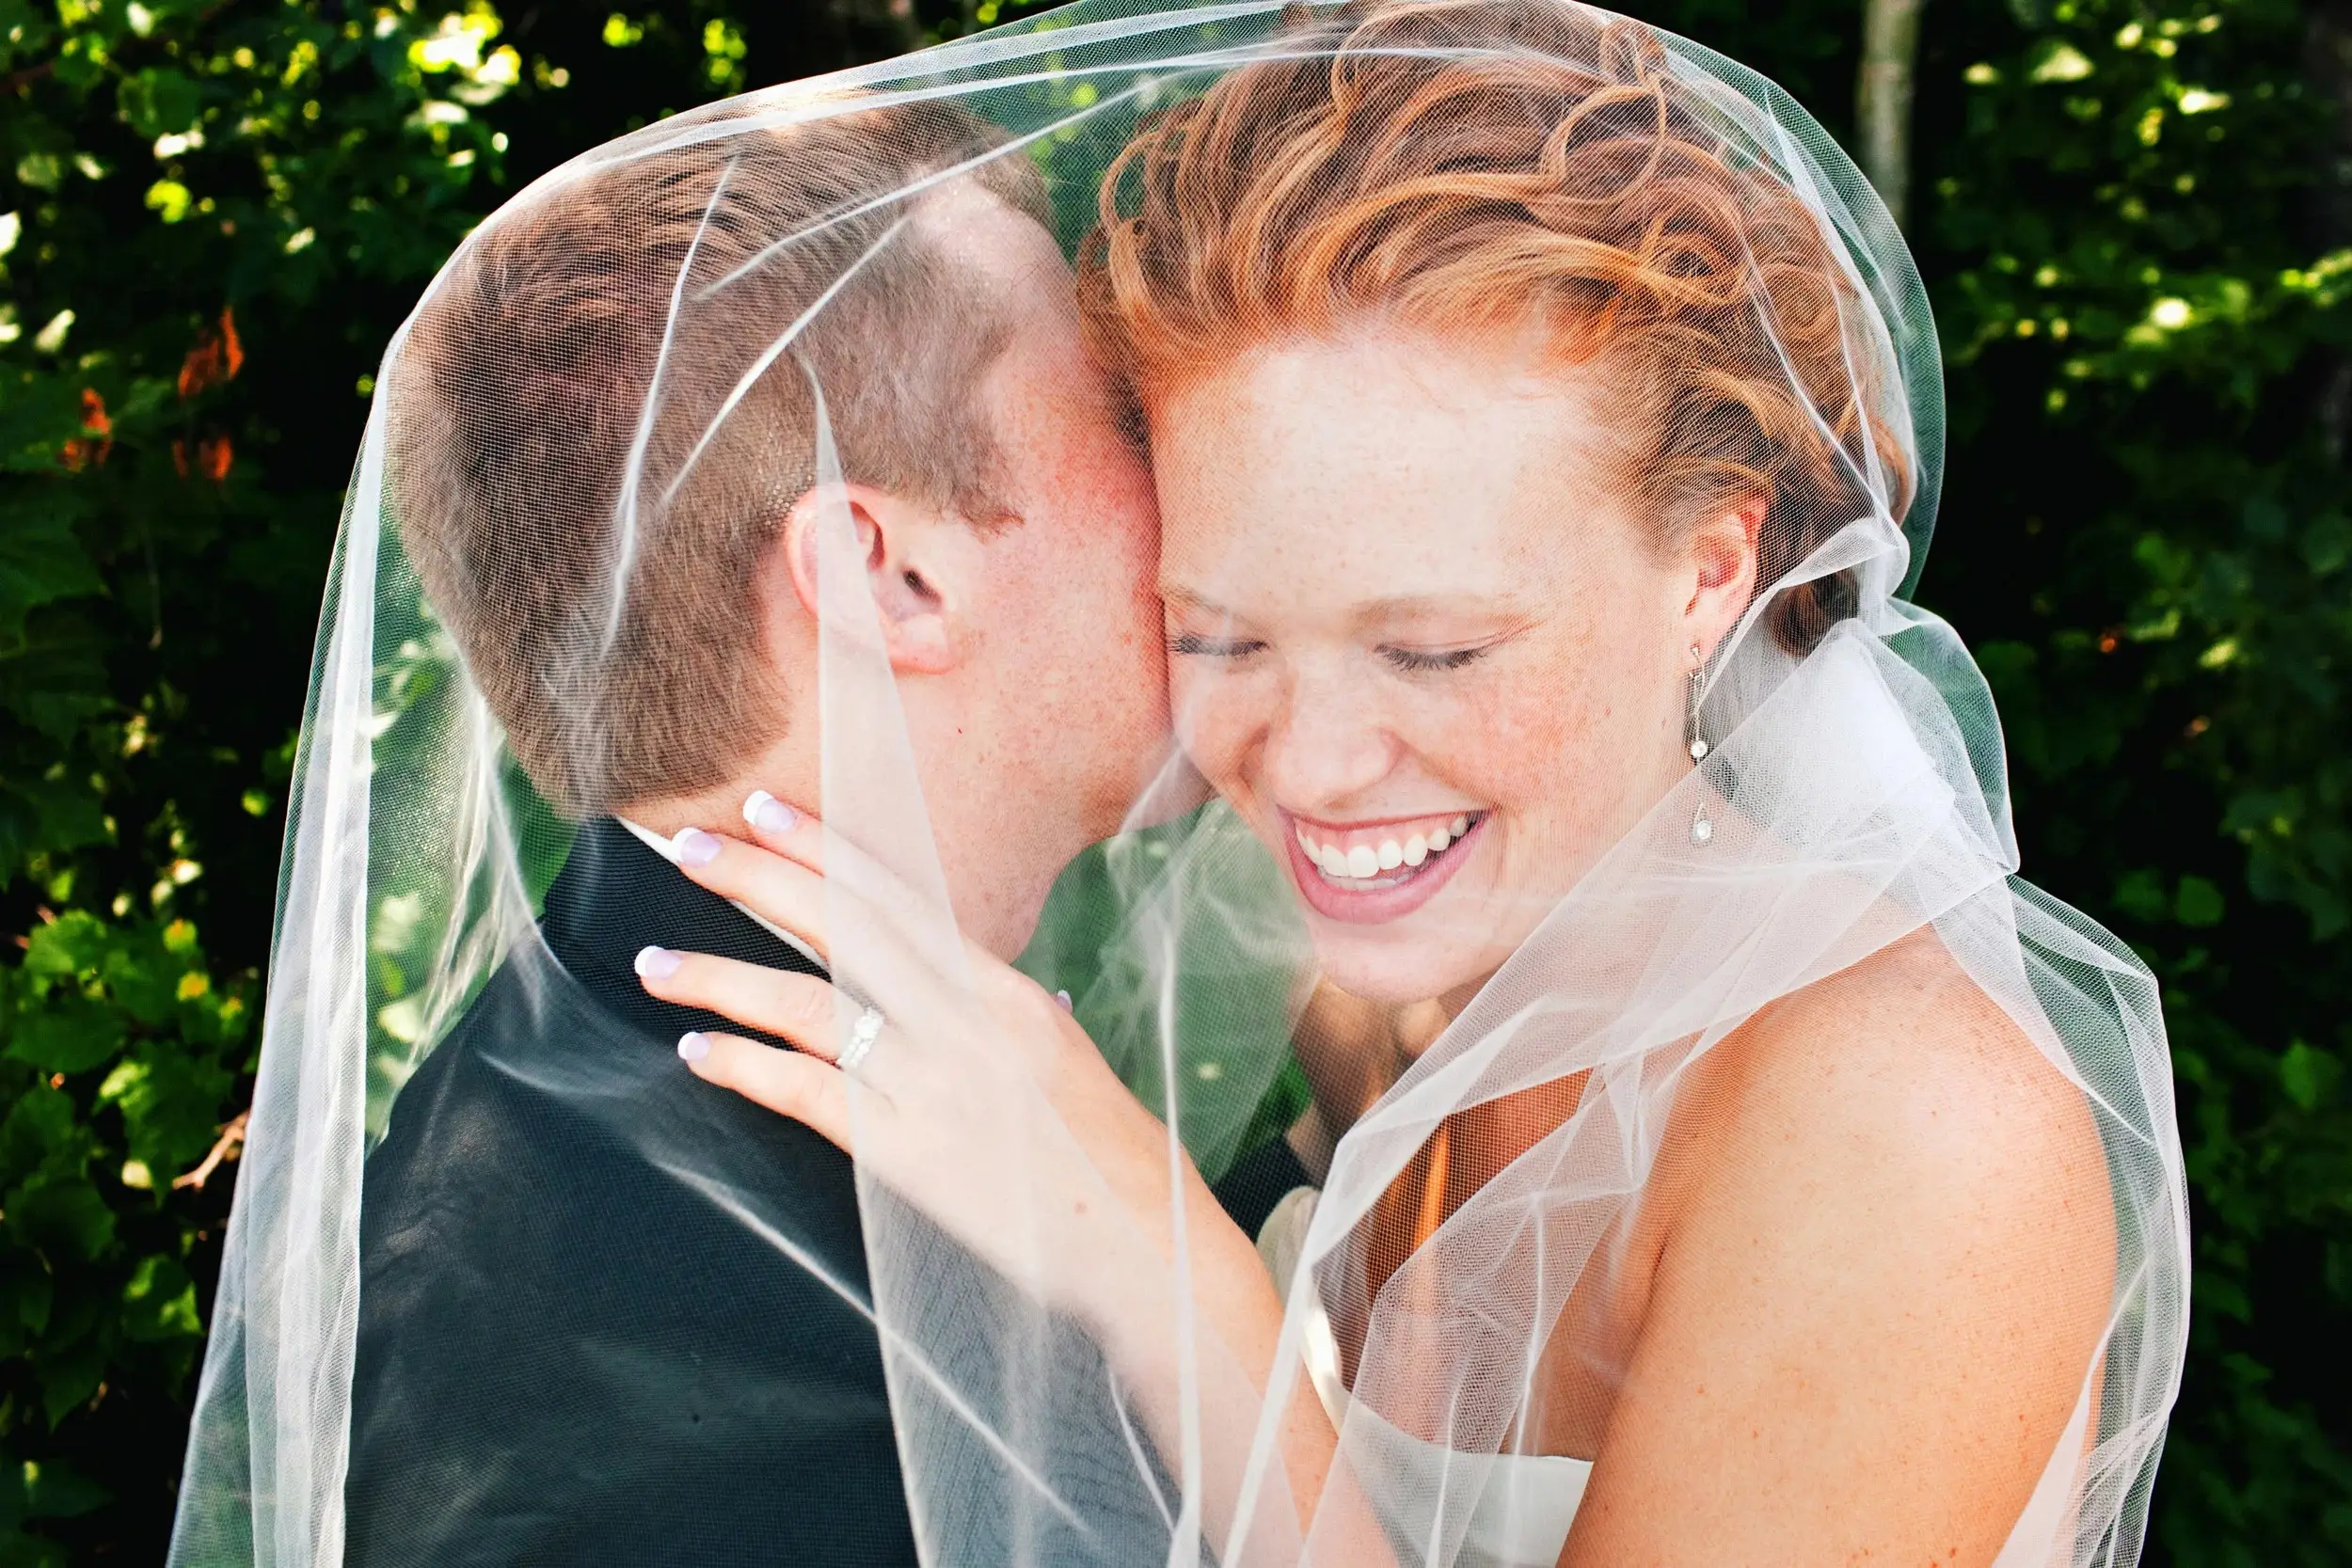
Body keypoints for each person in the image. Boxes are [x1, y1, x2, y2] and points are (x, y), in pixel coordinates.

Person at [649, 5, 2188, 1567]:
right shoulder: (1355, 996)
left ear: (1711, 571)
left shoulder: (1905, 1126)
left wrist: (1177, 1290)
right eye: (1219, 633)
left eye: (1439, 651)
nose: (1308, 769)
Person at [332, 103, 1175, 1565]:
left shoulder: (671, 1071)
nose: (1195, 453)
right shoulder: (647, 1382)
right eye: (1121, 409)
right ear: (884, 572)